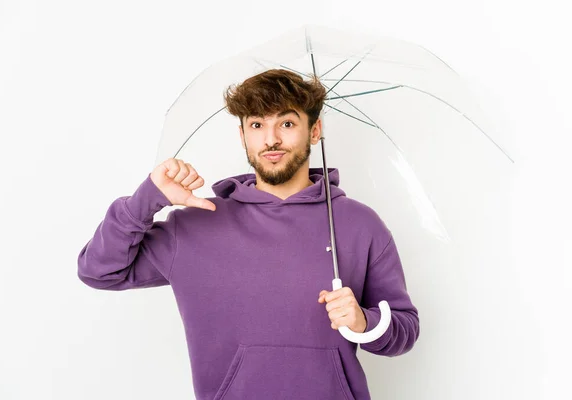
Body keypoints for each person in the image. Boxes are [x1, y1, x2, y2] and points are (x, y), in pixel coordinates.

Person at [77, 69, 420, 400]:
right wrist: (146, 200)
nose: (271, 139)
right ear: (242, 135)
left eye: (287, 123)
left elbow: (405, 330)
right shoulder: (196, 224)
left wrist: (365, 321)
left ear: (315, 131)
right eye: (257, 125)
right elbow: (99, 271)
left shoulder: (360, 224)